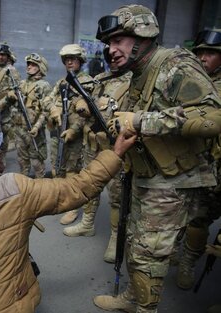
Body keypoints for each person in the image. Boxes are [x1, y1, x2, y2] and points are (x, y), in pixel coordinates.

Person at [92, 5, 221, 313]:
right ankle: (134, 297)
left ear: (143, 35)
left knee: (149, 254)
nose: (111, 50)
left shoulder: (175, 65)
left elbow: (214, 116)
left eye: (119, 40)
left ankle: (144, 309)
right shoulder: (138, 72)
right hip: (147, 175)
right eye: (108, 43)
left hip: (172, 182)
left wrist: (141, 122)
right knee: (136, 246)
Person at [0, 129, 136, 313]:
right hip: (4, 304)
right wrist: (115, 154)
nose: (1, 152)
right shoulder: (12, 188)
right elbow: (76, 188)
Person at [62, 46, 132, 259]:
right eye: (109, 55)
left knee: (117, 196)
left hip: (116, 148)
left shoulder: (134, 81)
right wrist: (80, 111)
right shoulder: (99, 79)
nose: (113, 59)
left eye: (116, 55)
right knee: (89, 185)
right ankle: (87, 223)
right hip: (92, 146)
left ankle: (114, 238)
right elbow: (83, 111)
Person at [176, 28, 221, 291]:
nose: (204, 58)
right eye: (201, 52)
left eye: (211, 53)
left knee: (199, 220)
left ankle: (188, 261)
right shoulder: (190, 82)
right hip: (184, 162)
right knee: (178, 211)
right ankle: (172, 251)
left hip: (213, 168)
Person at [44, 43, 94, 225]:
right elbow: (47, 99)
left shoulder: (87, 83)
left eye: (73, 59)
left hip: (77, 137)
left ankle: (73, 207)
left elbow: (89, 111)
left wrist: (74, 129)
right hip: (58, 132)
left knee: (73, 171)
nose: (69, 62)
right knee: (58, 167)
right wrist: (53, 110)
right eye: (66, 60)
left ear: (80, 61)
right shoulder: (62, 82)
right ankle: (61, 199)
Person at [12, 53, 51, 178]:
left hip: (34, 130)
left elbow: (46, 110)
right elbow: (14, 104)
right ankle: (24, 188)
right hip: (19, 128)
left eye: (33, 64)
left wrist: (37, 126)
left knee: (36, 162)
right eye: (28, 64)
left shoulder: (44, 86)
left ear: (41, 67)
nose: (29, 67)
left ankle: (40, 189)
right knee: (22, 162)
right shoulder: (22, 84)